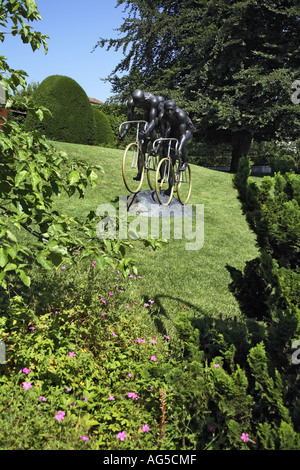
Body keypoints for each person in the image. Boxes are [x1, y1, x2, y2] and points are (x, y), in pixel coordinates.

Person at [119, 89, 165, 180]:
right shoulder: (131, 102)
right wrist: (125, 131)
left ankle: (162, 174)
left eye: (140, 102)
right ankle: (140, 173)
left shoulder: (153, 100)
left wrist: (149, 130)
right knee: (140, 145)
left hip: (159, 119)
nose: (138, 105)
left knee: (162, 146)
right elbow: (129, 120)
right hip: (147, 121)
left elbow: (153, 120)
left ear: (144, 99)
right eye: (137, 103)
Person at [158, 99, 195, 171]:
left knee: (179, 145)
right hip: (174, 130)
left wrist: (179, 147)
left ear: (175, 108)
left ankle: (184, 162)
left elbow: (183, 135)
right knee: (167, 146)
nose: (169, 112)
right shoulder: (162, 115)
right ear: (164, 109)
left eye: (171, 110)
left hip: (187, 131)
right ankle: (168, 172)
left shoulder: (180, 114)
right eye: (167, 110)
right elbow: (162, 132)